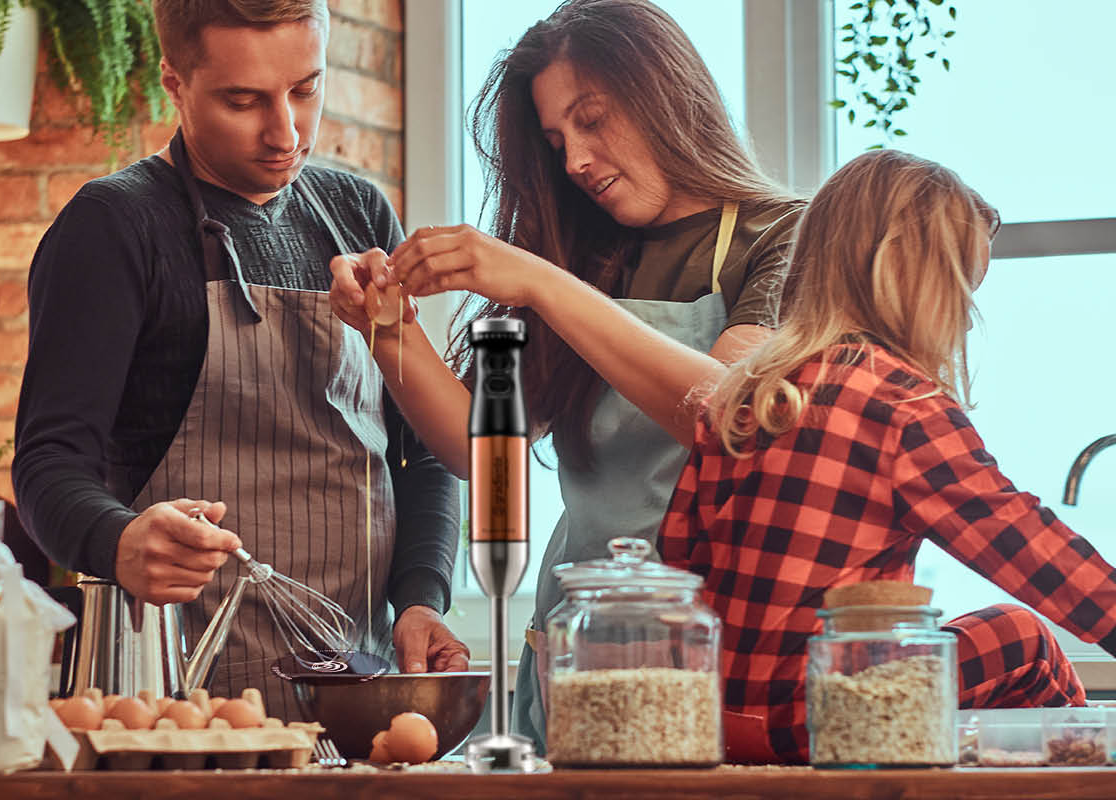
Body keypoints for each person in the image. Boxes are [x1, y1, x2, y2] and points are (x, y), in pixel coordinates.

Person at [328, 0, 802, 750]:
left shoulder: (782, 235)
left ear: (668, 93)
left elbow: (720, 411)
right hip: (577, 632)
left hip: (713, 629)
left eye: (593, 120)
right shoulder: (584, 253)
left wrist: (539, 282)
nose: (576, 160)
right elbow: (481, 449)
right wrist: (388, 330)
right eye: (557, 142)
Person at [12, 0, 466, 718]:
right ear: (175, 81)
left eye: (305, 89)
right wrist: (118, 539)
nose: (286, 133)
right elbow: (47, 465)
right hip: (181, 710)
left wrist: (420, 597)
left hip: (363, 701)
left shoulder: (359, 214)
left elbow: (423, 454)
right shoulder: (113, 226)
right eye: (243, 101)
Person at [658, 148, 1116, 763]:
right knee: (1023, 637)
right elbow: (1027, 545)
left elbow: (677, 561)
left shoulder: (744, 395)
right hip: (826, 719)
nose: (965, 320)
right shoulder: (898, 404)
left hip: (718, 723)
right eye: (959, 290)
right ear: (906, 276)